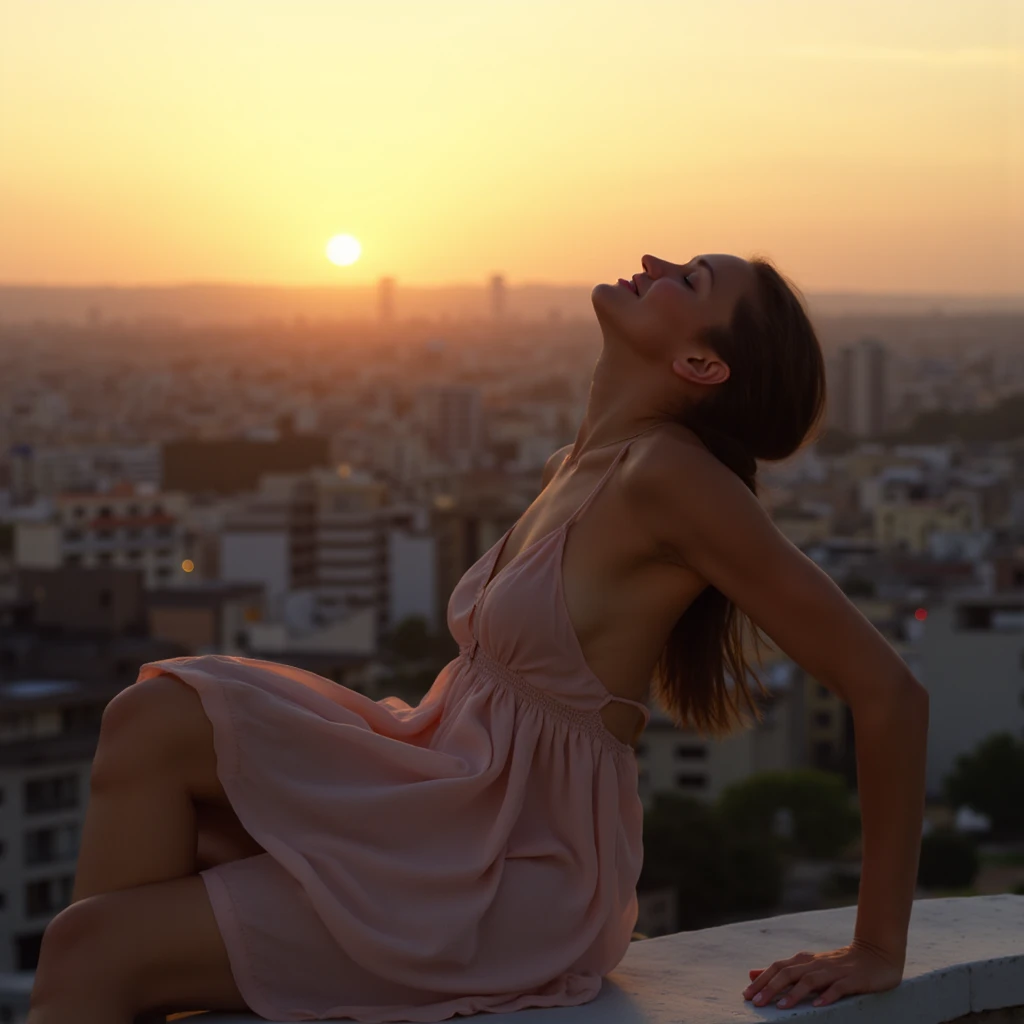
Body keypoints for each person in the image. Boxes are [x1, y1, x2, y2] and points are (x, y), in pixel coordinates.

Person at [28, 253, 929, 1023]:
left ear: (700, 360)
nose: (654, 263)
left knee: (88, 947)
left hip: (516, 862)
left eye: (687, 279)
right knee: (152, 717)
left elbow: (890, 692)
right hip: (446, 785)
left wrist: (877, 946)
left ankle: (120, 972)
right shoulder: (573, 467)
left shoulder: (673, 480)